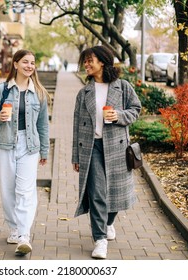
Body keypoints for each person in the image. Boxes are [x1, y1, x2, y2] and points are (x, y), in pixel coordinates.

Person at [72, 45, 142, 259]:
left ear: (102, 61)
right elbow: (76, 125)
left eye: (89, 60)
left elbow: (136, 110)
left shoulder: (122, 87)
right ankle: (100, 239)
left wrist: (119, 116)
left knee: (116, 191)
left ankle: (109, 222)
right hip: (91, 147)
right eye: (85, 61)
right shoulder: (84, 93)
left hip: (117, 147)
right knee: (97, 193)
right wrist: (75, 156)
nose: (86, 64)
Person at [0, 49, 50, 256]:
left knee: (26, 191)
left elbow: (43, 125)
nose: (30, 66)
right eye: (25, 62)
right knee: (8, 190)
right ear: (16, 64)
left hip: (29, 146)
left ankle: (24, 234)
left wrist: (44, 150)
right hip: (5, 144)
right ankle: (13, 228)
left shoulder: (39, 93)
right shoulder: (1, 90)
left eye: (33, 62)